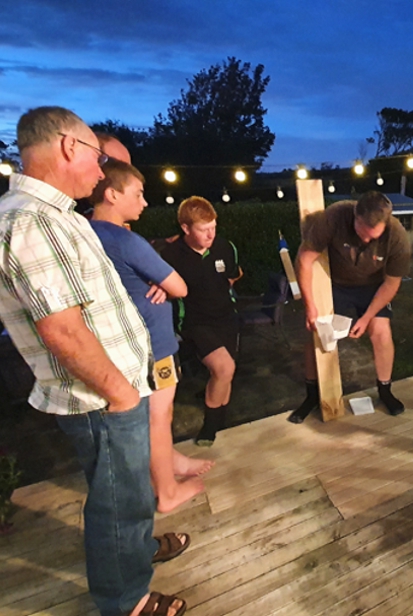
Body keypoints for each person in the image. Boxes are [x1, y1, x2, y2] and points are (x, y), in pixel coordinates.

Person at [0, 107, 186, 615]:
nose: (103, 172)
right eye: (97, 157)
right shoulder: (31, 221)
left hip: (112, 389)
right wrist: (123, 394)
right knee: (116, 501)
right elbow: (60, 326)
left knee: (125, 490)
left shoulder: (58, 216)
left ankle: (138, 551)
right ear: (66, 147)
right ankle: (127, 599)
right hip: (100, 396)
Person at [89, 159, 212, 513]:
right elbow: (179, 286)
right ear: (112, 194)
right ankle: (167, 491)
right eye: (138, 194)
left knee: (151, 416)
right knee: (160, 416)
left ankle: (168, 463)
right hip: (153, 344)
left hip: (122, 343)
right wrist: (161, 280)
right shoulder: (125, 239)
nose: (144, 202)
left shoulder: (84, 230)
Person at [290, 191, 411, 422]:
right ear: (355, 215)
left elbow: (392, 282)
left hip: (373, 287)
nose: (365, 241)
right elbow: (304, 260)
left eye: (372, 237)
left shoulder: (397, 236)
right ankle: (312, 395)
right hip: (335, 283)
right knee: (315, 333)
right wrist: (310, 306)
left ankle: (385, 390)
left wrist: (365, 318)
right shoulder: (334, 217)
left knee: (381, 332)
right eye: (361, 233)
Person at [161, 196, 242, 446]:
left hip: (227, 318)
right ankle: (211, 424)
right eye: (204, 229)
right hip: (195, 322)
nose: (211, 235)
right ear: (185, 228)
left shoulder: (225, 247)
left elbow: (234, 275)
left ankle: (220, 417)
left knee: (225, 374)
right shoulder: (171, 254)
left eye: (214, 227)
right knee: (224, 368)